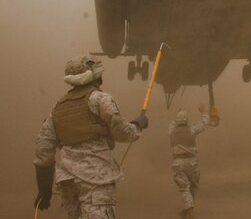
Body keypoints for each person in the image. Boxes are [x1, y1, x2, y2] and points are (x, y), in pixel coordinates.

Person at [33, 55, 148, 218]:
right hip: (96, 180)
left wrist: (44, 189)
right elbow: (121, 132)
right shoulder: (101, 99)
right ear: (95, 76)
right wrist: (138, 125)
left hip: (68, 182)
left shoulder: (57, 108)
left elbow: (42, 151)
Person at [168, 104, 213, 219]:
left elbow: (173, 123)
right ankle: (189, 209)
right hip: (192, 162)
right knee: (193, 186)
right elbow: (204, 123)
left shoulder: (171, 131)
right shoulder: (191, 130)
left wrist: (177, 114)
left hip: (178, 163)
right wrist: (204, 112)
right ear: (187, 121)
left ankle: (189, 208)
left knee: (184, 188)